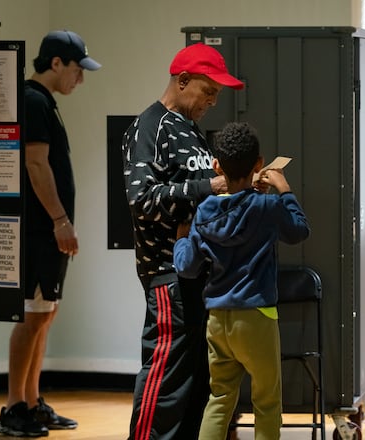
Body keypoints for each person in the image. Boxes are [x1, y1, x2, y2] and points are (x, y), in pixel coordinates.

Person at [121, 43, 244, 440]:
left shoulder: (190, 131)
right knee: (166, 380)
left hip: (202, 276)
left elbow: (200, 194)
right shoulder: (148, 127)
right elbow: (141, 199)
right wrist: (210, 186)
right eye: (208, 91)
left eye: (217, 95)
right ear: (183, 80)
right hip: (167, 273)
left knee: (198, 385)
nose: (212, 101)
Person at [173, 121, 310, 440]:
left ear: (216, 165)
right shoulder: (267, 206)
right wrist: (284, 189)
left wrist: (181, 239)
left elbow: (187, 266)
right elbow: (299, 229)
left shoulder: (205, 210)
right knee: (267, 404)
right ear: (259, 165)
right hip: (258, 317)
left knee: (219, 401)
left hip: (218, 320)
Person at [0, 30, 101, 437]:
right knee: (32, 316)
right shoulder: (34, 101)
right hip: (39, 231)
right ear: (56, 63)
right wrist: (60, 220)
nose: (80, 78)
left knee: (45, 314)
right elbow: (35, 165)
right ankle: (14, 407)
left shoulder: (44, 102)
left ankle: (34, 400)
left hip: (49, 231)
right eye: (77, 70)